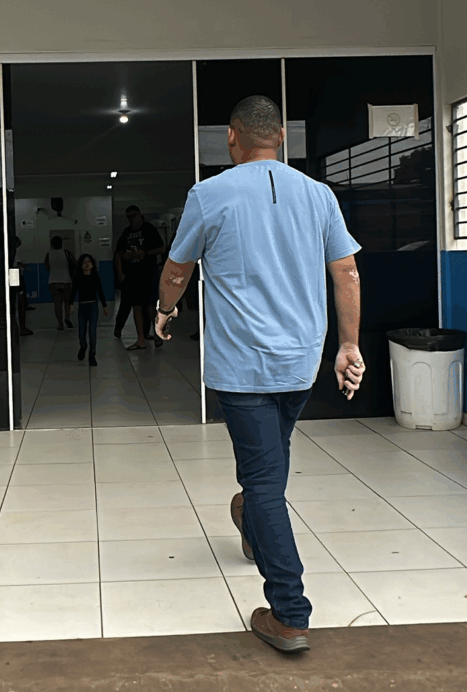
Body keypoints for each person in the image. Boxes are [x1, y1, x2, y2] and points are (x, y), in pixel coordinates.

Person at [154, 96, 365, 654]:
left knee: (265, 482)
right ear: (281, 138)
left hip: (242, 367)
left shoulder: (210, 194)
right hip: (300, 365)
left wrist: (165, 309)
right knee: (270, 459)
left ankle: (289, 613)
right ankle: (251, 519)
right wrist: (348, 345)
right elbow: (346, 271)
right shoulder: (318, 195)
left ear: (232, 137)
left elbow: (177, 269)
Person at [113, 205, 164, 350]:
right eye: (128, 217)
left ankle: (156, 333)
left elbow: (161, 248)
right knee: (136, 306)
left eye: (133, 215)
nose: (131, 219)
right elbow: (119, 252)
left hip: (148, 273)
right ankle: (140, 338)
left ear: (140, 214)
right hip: (133, 275)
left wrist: (145, 253)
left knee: (150, 306)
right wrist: (120, 271)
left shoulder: (149, 229)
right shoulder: (127, 232)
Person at [66, 253, 108, 366]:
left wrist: (104, 306)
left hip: (93, 306)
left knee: (92, 331)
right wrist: (71, 304)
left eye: (89, 262)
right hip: (82, 307)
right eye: (84, 262)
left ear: (93, 264)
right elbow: (73, 291)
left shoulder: (95, 276)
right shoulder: (78, 277)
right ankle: (83, 346)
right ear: (80, 265)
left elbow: (100, 291)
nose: (87, 264)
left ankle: (92, 354)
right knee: (82, 332)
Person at [44, 236, 76, 331]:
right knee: (67, 302)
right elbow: (75, 263)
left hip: (54, 282)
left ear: (52, 244)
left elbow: (47, 268)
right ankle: (67, 318)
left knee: (57, 304)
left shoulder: (49, 254)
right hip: (66, 281)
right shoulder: (66, 253)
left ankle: (60, 324)